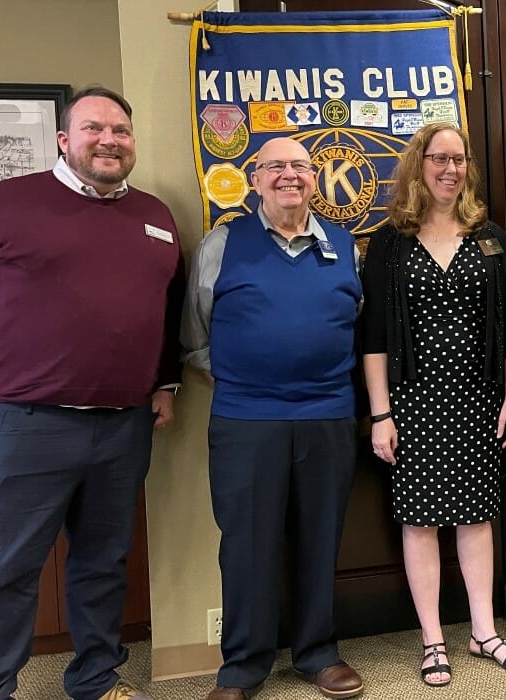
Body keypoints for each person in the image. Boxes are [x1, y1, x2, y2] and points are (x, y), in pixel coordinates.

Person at [0, 86, 183, 700]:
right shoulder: (6, 203)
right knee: (3, 570)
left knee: (102, 565)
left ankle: (95, 681)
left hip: (123, 426)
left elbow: (166, 311)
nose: (108, 140)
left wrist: (165, 381)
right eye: (93, 128)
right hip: (24, 424)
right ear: (65, 140)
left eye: (121, 130)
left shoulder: (156, 217)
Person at [182, 137, 364, 700]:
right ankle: (241, 667)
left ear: (315, 179)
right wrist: (246, 374)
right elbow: (195, 335)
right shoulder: (222, 243)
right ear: (255, 180)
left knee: (320, 536)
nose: (290, 175)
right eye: (275, 167)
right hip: (245, 419)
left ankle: (318, 653)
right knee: (247, 543)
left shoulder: (344, 243)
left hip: (329, 415)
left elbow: (357, 323)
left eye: (301, 167)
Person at [360, 123, 506, 687]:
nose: (450, 169)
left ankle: (484, 632)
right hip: (411, 402)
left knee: (477, 518)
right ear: (418, 166)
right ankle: (434, 639)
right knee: (420, 523)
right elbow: (374, 336)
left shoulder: (491, 237)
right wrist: (380, 413)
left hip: (478, 399)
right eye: (439, 159)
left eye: (459, 159)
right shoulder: (389, 241)